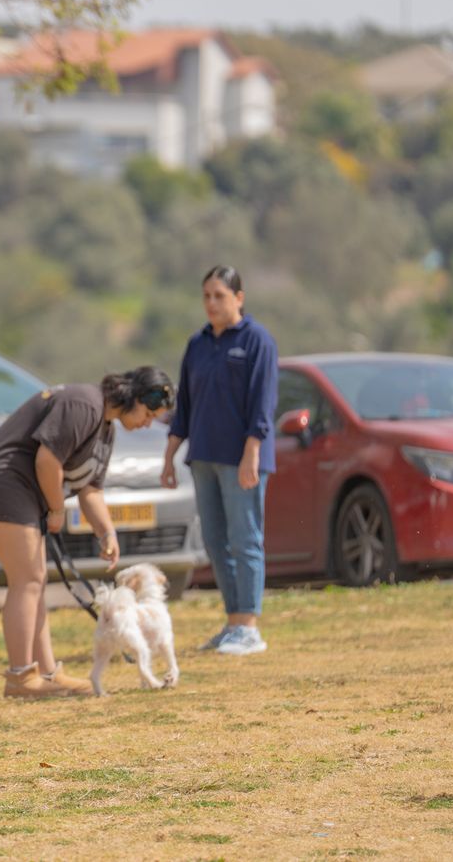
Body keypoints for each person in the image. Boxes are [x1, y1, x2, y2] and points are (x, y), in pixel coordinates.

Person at [0, 367, 174, 700]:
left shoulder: (105, 427)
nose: (148, 422)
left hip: (21, 490)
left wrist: (106, 532)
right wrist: (56, 508)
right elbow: (47, 460)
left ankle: (46, 674)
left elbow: (90, 489)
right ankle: (20, 677)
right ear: (133, 397)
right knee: (27, 579)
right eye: (148, 413)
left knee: (35, 581)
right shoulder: (83, 404)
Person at [162, 265, 278, 657]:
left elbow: (263, 403)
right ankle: (233, 624)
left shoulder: (257, 340)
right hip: (204, 457)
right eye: (206, 296)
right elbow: (185, 407)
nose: (212, 303)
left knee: (245, 539)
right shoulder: (197, 344)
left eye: (220, 296)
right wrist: (169, 454)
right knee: (215, 541)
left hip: (242, 458)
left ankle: (250, 627)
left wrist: (252, 453)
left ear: (239, 298)